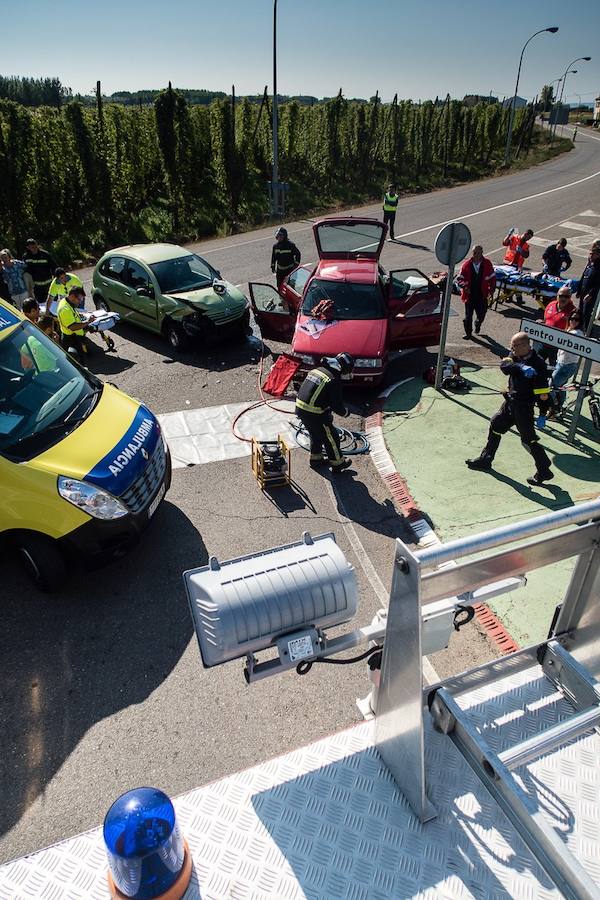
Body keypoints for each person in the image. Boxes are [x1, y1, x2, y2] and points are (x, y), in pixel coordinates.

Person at [466, 332, 553, 486]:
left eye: (516, 346)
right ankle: (486, 459)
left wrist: (542, 414)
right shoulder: (515, 355)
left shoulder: (538, 363)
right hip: (510, 404)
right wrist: (520, 366)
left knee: (529, 440)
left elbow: (542, 394)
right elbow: (505, 366)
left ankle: (544, 470)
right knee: (495, 425)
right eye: (512, 346)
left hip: (524, 408)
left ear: (526, 346)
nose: (512, 349)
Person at [295, 353, 354, 472]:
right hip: (315, 413)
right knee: (331, 437)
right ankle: (338, 463)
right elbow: (336, 405)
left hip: (300, 409)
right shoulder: (333, 379)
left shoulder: (318, 370)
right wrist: (345, 413)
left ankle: (316, 459)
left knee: (315, 434)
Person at [549, 311, 584, 417]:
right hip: (564, 363)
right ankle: (559, 406)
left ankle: (554, 407)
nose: (573, 321)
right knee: (560, 386)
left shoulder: (576, 333)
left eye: (576, 319)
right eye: (572, 318)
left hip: (566, 365)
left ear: (580, 322)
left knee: (551, 386)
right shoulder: (570, 330)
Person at [458, 245, 496, 339]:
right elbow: (459, 279)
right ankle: (468, 333)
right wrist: (464, 286)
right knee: (468, 317)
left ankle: (478, 323)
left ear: (482, 252)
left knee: (482, 314)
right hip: (469, 295)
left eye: (478, 253)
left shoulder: (487, 263)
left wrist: (491, 291)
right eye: (474, 253)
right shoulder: (466, 264)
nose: (476, 255)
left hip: (482, 295)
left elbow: (492, 278)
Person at [536, 285, 576, 365]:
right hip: (543, 343)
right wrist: (540, 323)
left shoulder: (573, 311)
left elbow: (574, 330)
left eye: (566, 296)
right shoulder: (551, 305)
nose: (563, 298)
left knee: (554, 370)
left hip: (557, 347)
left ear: (570, 297)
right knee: (536, 365)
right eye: (561, 296)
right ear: (557, 295)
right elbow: (545, 320)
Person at [57, 286, 95, 359]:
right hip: (71, 339)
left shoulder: (67, 302)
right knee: (76, 359)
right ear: (72, 296)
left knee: (80, 356)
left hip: (74, 336)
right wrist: (87, 322)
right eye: (79, 299)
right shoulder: (65, 310)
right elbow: (73, 327)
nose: (80, 301)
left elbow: (72, 315)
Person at [23, 238, 58, 305]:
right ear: (27, 247)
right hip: (37, 287)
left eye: (34, 245)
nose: (33, 247)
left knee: (53, 304)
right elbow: (25, 270)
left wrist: (57, 279)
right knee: (41, 305)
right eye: (30, 246)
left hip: (49, 285)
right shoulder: (26, 257)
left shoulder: (45, 254)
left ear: (36, 244)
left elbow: (54, 267)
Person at [576, 243, 600, 331]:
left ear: (598, 255)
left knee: (586, 313)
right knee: (580, 311)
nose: (590, 255)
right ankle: (579, 328)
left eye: (592, 254)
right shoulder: (590, 263)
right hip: (583, 291)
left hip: (590, 295)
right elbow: (583, 276)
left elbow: (598, 283)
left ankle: (587, 331)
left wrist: (590, 294)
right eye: (590, 253)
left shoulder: (598, 266)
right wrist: (579, 290)